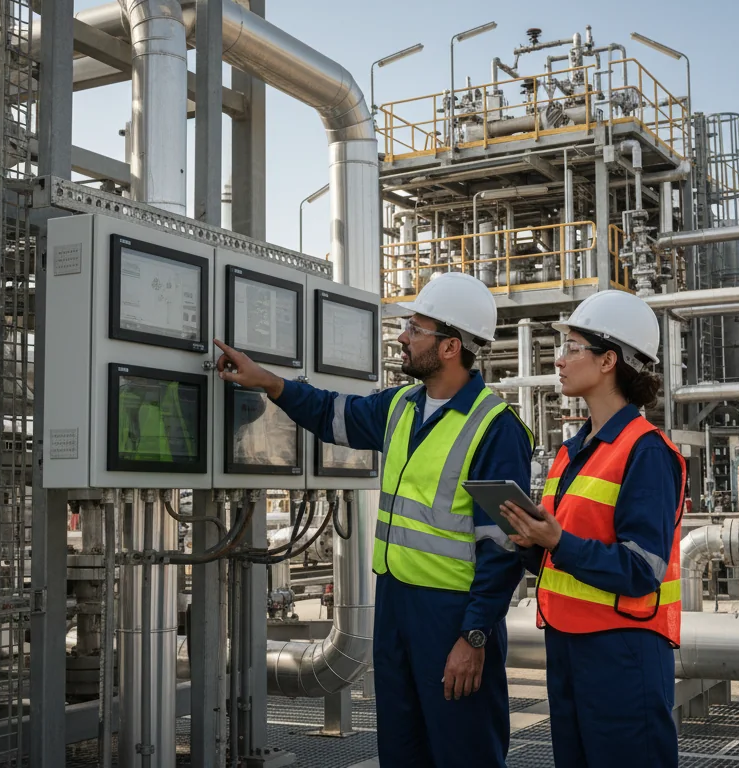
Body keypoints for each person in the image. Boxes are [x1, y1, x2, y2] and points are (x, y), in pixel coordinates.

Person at [212, 272, 532, 768]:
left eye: (415, 328)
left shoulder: (495, 429)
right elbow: (331, 413)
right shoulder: (402, 406)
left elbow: (504, 549)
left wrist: (474, 637)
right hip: (397, 608)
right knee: (401, 750)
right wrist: (270, 383)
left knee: (464, 751)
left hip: (451, 618)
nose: (403, 337)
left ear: (450, 347)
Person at [499, 290, 685, 768]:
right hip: (568, 646)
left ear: (608, 360)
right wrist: (530, 543)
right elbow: (561, 553)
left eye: (572, 348)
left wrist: (557, 541)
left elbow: (643, 569)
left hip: (624, 652)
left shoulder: (646, 451)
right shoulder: (571, 451)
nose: (559, 361)